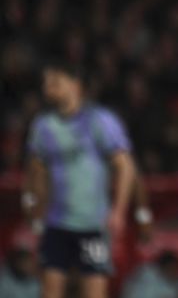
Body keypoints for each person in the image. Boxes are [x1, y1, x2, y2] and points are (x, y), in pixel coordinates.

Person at [23, 58, 135, 298]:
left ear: (75, 85)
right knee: (50, 291)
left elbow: (125, 167)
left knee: (94, 292)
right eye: (46, 83)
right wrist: (34, 204)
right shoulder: (43, 126)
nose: (47, 88)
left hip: (93, 224)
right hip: (56, 224)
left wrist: (118, 210)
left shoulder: (100, 121)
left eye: (54, 82)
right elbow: (36, 172)